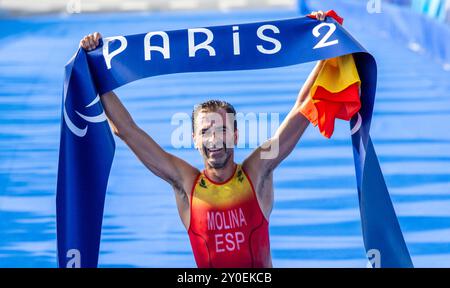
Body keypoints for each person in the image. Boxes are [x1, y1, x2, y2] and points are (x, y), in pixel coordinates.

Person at [80, 11, 327, 268]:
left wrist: (324, 48)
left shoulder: (258, 171)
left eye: (221, 130)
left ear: (235, 135)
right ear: (195, 140)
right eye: (206, 132)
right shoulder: (186, 184)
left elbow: (301, 110)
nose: (214, 139)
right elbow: (126, 130)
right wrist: (96, 72)